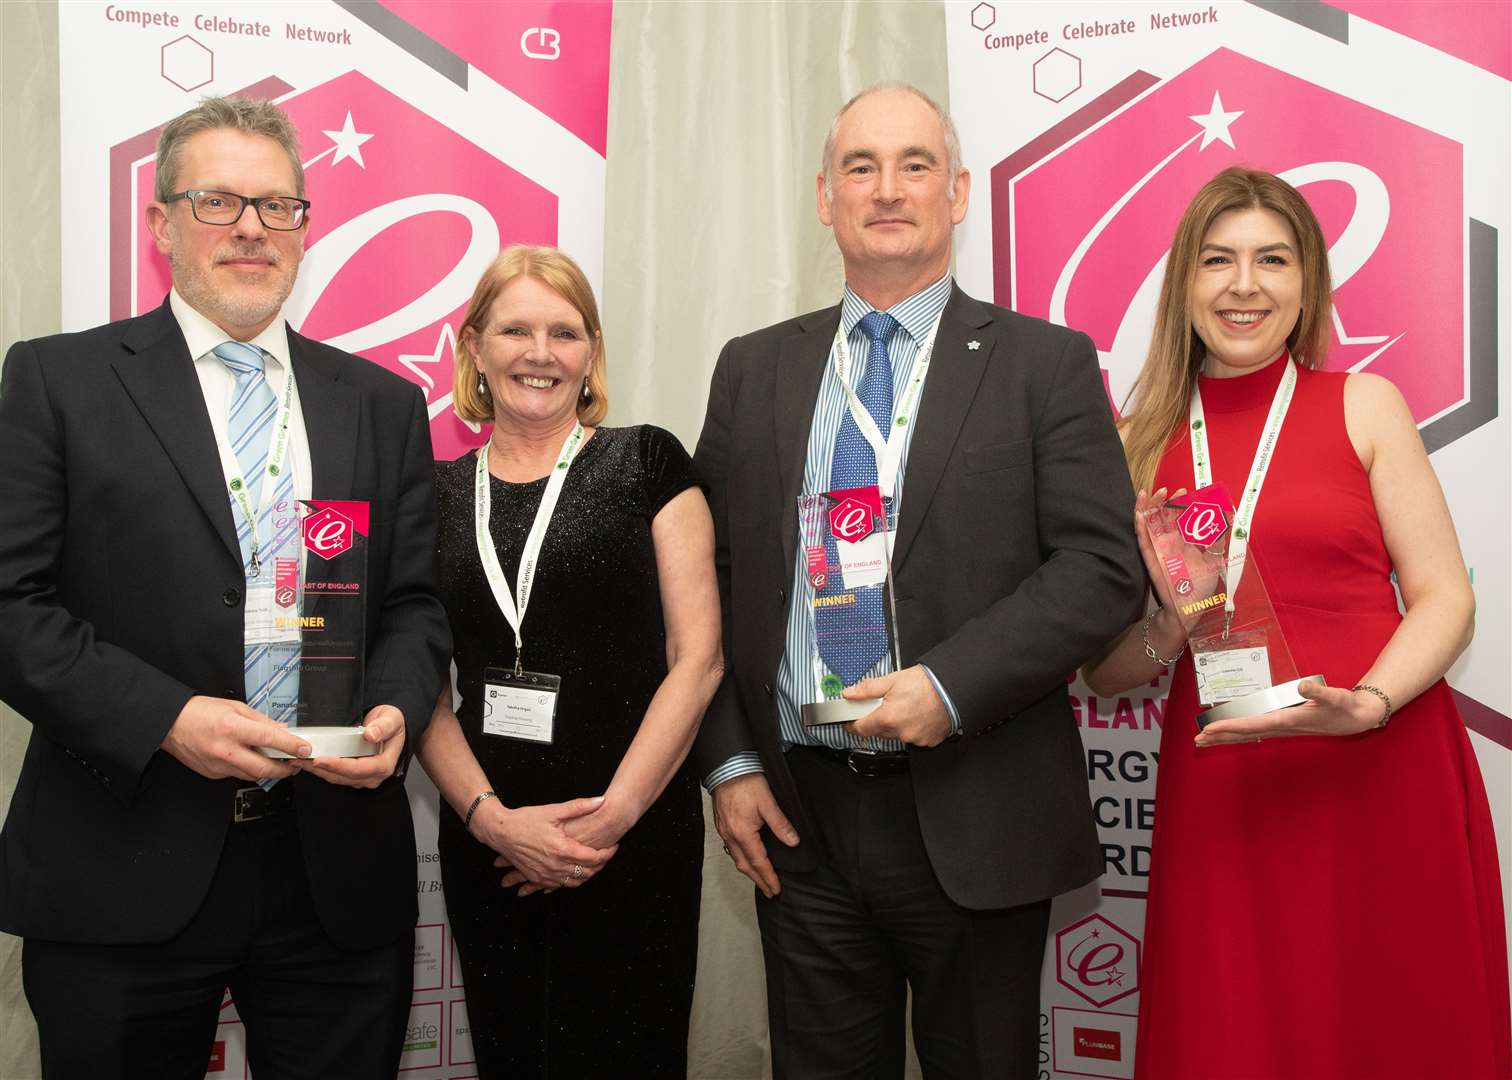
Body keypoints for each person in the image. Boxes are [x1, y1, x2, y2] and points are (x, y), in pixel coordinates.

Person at [692, 82, 1144, 1079]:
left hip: (976, 803)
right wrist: (729, 764)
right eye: (861, 166)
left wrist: (947, 686)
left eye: (914, 165)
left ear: (958, 192)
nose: (887, 189)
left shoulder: (1045, 363)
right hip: (798, 817)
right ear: (824, 196)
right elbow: (707, 584)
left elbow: (1104, 568)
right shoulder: (753, 369)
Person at [0, 96, 450, 1078]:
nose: (251, 226)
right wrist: (166, 717)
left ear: (304, 226)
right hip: (123, 861)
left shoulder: (381, 404)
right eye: (217, 201)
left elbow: (416, 605)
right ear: (159, 224)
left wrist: (392, 711)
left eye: (276, 206)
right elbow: (11, 607)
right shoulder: (58, 382)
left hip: (331, 870)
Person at [1082, 167, 1511, 1079]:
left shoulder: (1365, 403)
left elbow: (1446, 598)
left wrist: (1372, 701)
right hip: (1228, 786)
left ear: (1308, 281)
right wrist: (1169, 616)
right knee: (1237, 1033)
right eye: (1219, 260)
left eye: (1273, 260)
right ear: (1183, 284)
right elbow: (1105, 674)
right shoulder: (1132, 443)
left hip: (1379, 764)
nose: (1245, 285)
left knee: (1395, 1023)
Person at [418, 244, 722, 1078]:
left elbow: (697, 660)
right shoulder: (434, 492)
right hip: (491, 838)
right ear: (473, 345)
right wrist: (494, 823)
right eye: (515, 329)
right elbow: (416, 684)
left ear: (591, 351)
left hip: (632, 836)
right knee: (515, 1054)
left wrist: (609, 821)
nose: (540, 353)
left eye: (565, 331)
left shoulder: (648, 462)